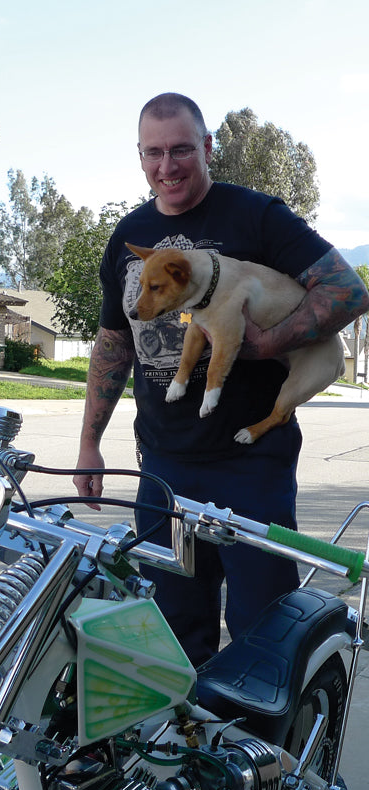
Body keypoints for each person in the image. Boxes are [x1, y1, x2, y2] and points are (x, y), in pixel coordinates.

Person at [73, 92, 369, 668]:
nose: (168, 166)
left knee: (266, 632)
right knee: (170, 631)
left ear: (207, 148)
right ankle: (185, 751)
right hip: (163, 465)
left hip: (250, 470)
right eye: (153, 152)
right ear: (139, 157)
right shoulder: (128, 235)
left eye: (182, 149)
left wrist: (265, 344)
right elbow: (114, 344)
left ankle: (268, 756)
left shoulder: (257, 216)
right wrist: (90, 441)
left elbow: (348, 290)